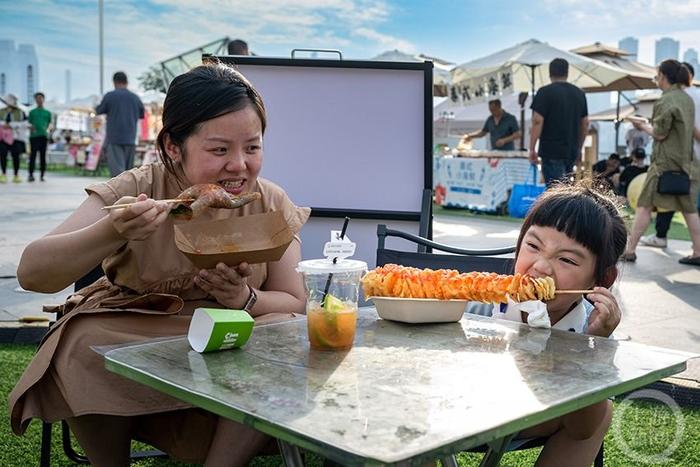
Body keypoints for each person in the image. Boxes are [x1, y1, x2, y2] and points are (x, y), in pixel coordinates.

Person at [9, 63, 311, 466]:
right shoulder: (136, 188)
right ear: (172, 146)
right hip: (139, 325)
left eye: (252, 148)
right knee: (83, 341)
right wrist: (111, 231)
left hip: (231, 333)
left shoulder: (270, 202)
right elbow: (32, 273)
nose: (239, 165)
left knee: (287, 335)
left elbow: (296, 300)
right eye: (220, 150)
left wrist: (245, 297)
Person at [468, 180, 625, 467]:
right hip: (461, 411)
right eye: (533, 245)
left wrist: (592, 347)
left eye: (566, 259)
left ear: (601, 280)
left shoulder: (594, 330)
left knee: (603, 411)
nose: (540, 266)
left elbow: (583, 429)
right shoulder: (480, 308)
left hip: (530, 418)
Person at [622, 60, 700, 265]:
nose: (656, 79)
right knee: (689, 209)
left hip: (663, 164)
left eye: (657, 75)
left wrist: (639, 124)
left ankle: (630, 250)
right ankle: (698, 251)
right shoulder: (687, 99)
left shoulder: (665, 100)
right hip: (686, 163)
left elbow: (660, 133)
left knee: (644, 205)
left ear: (663, 76)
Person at [529, 58, 589, 187]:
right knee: (566, 189)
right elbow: (585, 124)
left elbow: (537, 121)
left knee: (555, 192)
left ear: (550, 73)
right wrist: (579, 148)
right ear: (567, 73)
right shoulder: (579, 94)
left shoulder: (544, 92)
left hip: (551, 149)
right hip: (571, 150)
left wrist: (532, 148)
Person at [95, 71, 145, 177]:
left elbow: (99, 110)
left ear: (114, 82)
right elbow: (142, 114)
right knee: (129, 173)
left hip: (115, 138)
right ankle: (129, 192)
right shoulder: (135, 98)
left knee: (117, 172)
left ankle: (120, 193)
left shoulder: (110, 96)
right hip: (131, 138)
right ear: (127, 82)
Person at [0, 93, 28, 183]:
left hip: (16, 137)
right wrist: (3, 124)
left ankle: (16, 175)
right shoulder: (1, 111)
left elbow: (24, 123)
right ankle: (3, 174)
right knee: (3, 155)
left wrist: (11, 125)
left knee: (15, 156)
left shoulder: (20, 112)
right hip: (3, 138)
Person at [27, 92, 52, 182]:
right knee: (32, 156)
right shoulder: (31, 112)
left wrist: (47, 129)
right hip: (34, 137)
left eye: (41, 98)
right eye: (37, 98)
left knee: (42, 156)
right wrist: (31, 127)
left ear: (43, 99)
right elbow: (28, 123)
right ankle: (30, 174)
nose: (39, 100)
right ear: (35, 100)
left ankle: (42, 175)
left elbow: (50, 124)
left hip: (43, 136)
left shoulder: (48, 113)